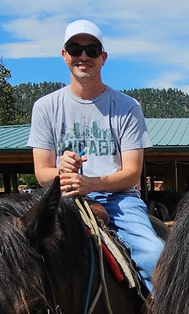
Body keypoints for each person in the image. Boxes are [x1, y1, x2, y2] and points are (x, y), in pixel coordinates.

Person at [28, 19, 163, 293]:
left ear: (103, 58)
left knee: (154, 256)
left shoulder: (126, 107)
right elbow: (42, 172)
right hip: (63, 200)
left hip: (119, 201)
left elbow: (132, 173)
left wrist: (92, 184)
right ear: (64, 55)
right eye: (75, 48)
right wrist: (62, 173)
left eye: (92, 50)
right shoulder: (45, 107)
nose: (83, 56)